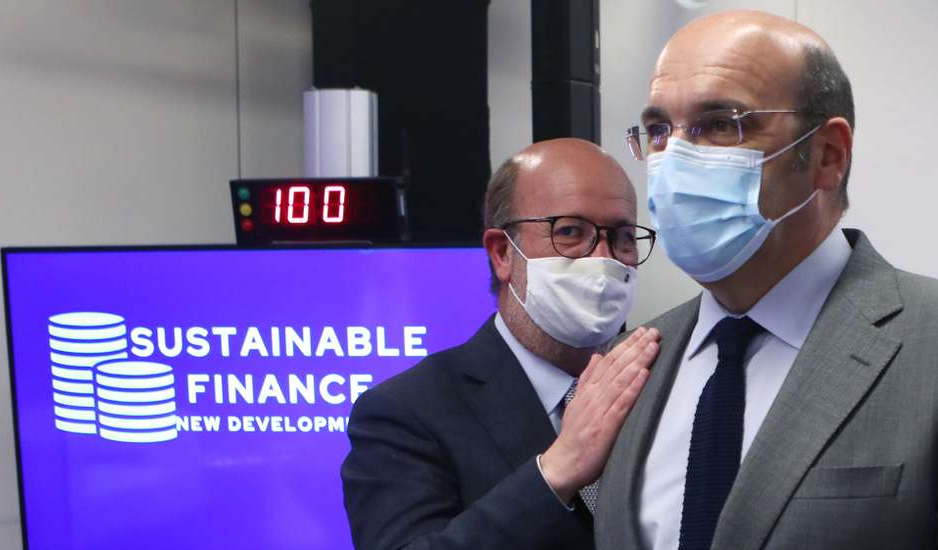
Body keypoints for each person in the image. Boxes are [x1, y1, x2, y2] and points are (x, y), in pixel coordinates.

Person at [596, 10, 938, 550]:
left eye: (720, 124)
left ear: (828, 155)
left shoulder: (927, 340)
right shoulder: (634, 361)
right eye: (660, 130)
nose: (675, 159)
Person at [341, 138, 662, 549]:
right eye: (569, 231)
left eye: (621, 237)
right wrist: (557, 471)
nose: (603, 258)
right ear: (501, 254)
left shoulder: (666, 378)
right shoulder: (406, 413)